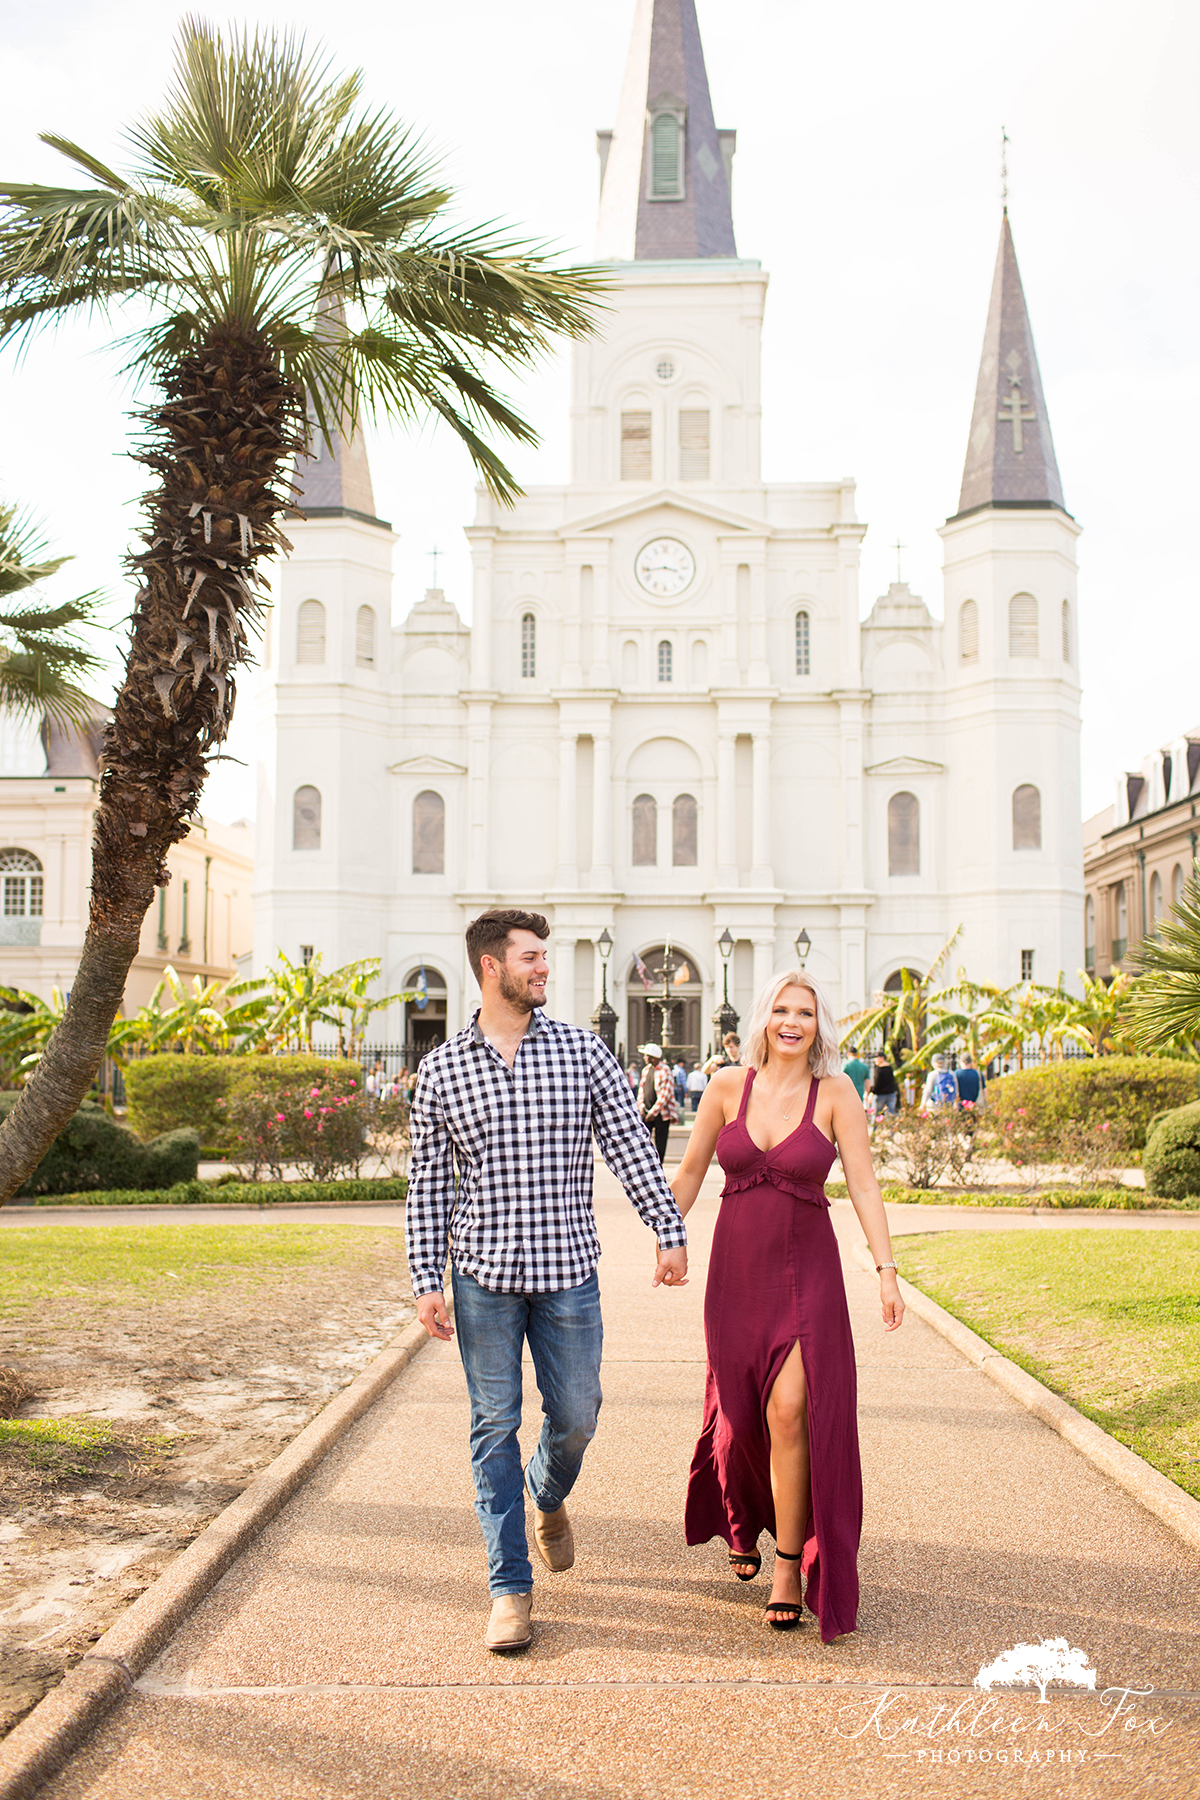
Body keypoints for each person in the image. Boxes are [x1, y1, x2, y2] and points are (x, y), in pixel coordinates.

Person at [406, 909, 688, 1654]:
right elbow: (428, 1186)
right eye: (531, 957)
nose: (544, 968)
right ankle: (509, 1588)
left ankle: (549, 1493)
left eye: (545, 956)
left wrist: (669, 1228)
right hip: (482, 1278)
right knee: (492, 1424)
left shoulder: (582, 1054)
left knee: (577, 1417)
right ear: (491, 967)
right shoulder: (442, 1070)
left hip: (567, 1273)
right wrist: (424, 1277)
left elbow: (630, 1148)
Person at [670, 971, 903, 1641]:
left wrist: (886, 1271)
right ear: (764, 1018)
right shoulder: (723, 1087)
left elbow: (862, 1184)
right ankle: (743, 1516)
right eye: (781, 1008)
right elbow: (688, 1173)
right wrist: (668, 1236)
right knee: (741, 1419)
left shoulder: (835, 1093)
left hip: (808, 1277)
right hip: (736, 1275)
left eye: (805, 1011)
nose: (791, 1020)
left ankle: (789, 1566)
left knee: (791, 1410)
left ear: (818, 1024)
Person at [638, 1042, 678, 1163]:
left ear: (652, 1057)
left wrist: (653, 1112)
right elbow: (641, 1090)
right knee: (643, 1140)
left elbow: (665, 1094)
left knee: (661, 1142)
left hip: (661, 1113)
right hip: (646, 1111)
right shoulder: (645, 1070)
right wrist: (641, 1106)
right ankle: (646, 1163)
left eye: (646, 1055)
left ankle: (659, 1164)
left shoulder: (665, 1070)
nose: (644, 1058)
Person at [865, 1052, 899, 1117]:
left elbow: (877, 1082)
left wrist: (872, 1092)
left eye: (876, 1058)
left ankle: (874, 1127)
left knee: (876, 1114)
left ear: (882, 1058)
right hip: (891, 1093)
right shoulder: (890, 1068)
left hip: (880, 1095)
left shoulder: (879, 1069)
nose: (875, 1060)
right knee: (890, 1114)